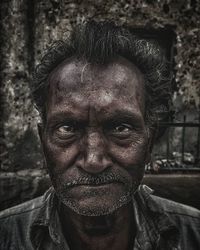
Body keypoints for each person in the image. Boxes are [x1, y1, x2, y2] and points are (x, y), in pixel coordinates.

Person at [0, 20, 199, 250]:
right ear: (43, 141)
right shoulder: (6, 235)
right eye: (67, 128)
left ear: (149, 142)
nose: (93, 161)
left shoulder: (193, 234)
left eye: (120, 127)